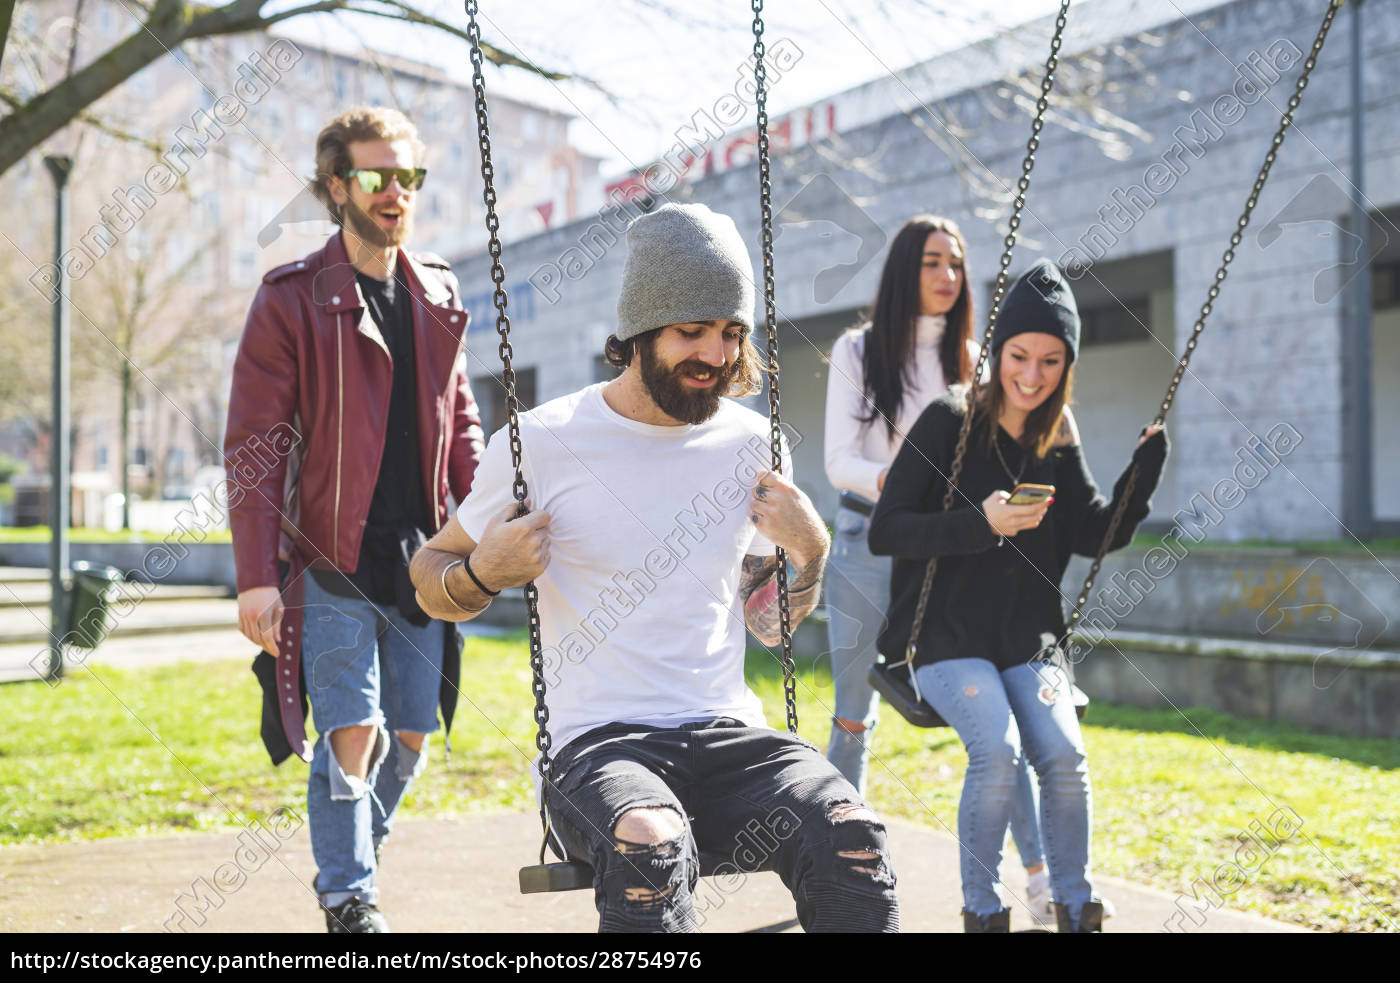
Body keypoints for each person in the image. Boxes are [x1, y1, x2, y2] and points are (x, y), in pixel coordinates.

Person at [410, 203, 901, 933]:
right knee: (651, 840)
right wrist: (482, 571)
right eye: (691, 331)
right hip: (602, 749)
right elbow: (429, 573)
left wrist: (812, 551)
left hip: (730, 738)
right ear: (639, 331)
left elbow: (768, 626)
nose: (716, 354)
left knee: (853, 832)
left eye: (731, 333)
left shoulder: (754, 442)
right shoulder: (541, 443)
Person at [224, 106, 484, 934]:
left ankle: (354, 858)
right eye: (377, 176)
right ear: (338, 186)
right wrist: (258, 576)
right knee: (352, 728)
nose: (396, 192)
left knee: (411, 732)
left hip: (426, 556)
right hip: (328, 555)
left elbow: (465, 422)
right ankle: (347, 896)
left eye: (408, 176)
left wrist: (486, 525)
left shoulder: (438, 288)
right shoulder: (293, 299)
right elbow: (254, 447)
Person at [868, 259, 1168, 933]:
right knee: (997, 750)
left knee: (1064, 754)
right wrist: (982, 522)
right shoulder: (948, 421)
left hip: (1029, 640)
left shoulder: (1057, 436)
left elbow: (1097, 532)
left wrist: (1141, 474)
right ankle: (983, 909)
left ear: (1068, 365)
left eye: (1051, 361)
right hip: (943, 638)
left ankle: (1074, 903)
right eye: (1020, 356)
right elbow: (886, 530)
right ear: (998, 351)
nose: (1032, 376)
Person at [822, 216, 1054, 918]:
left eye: (957, 263)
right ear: (904, 270)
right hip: (869, 543)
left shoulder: (976, 361)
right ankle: (840, 869)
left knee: (996, 724)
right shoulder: (858, 351)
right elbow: (838, 461)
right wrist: (904, 485)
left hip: (953, 550)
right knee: (853, 717)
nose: (949, 275)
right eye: (932, 262)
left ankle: (1042, 873)